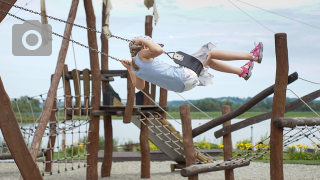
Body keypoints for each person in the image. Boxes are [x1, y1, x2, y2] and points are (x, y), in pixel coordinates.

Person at [121, 36, 263, 93]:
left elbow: (139, 86)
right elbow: (159, 50)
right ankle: (252, 56)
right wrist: (141, 39)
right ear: (144, 47)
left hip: (183, 86)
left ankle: (242, 71)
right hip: (184, 76)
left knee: (208, 61)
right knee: (209, 53)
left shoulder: (135, 67)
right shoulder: (142, 54)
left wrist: (129, 69)